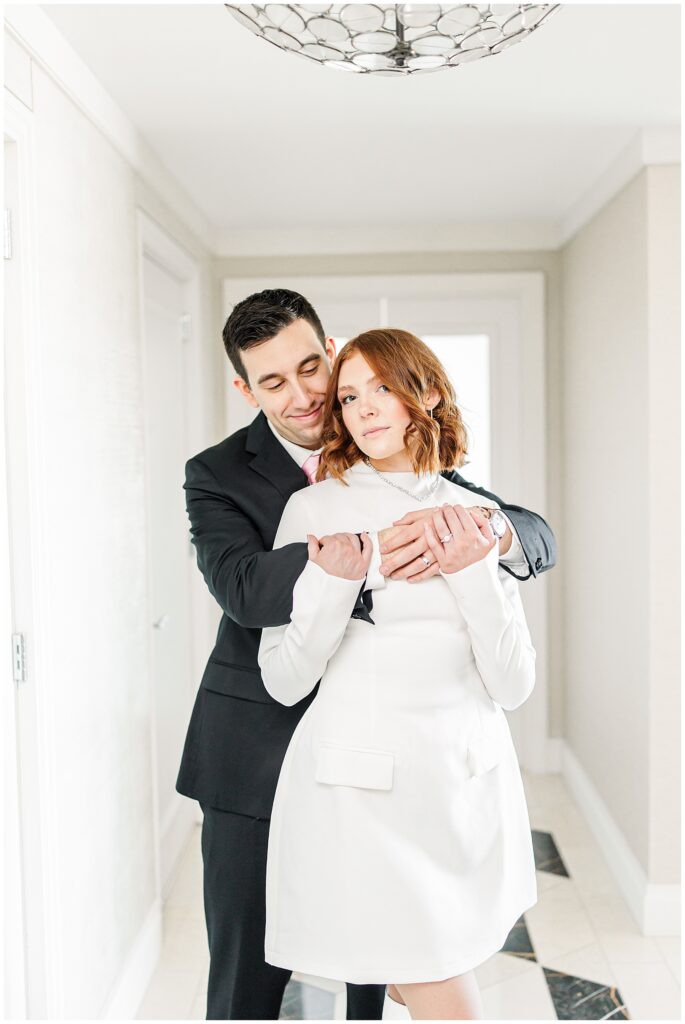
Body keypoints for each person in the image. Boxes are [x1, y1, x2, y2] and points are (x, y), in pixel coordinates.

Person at [176, 289, 556, 1021]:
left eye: (313, 369)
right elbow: (246, 591)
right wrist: (376, 552)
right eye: (273, 382)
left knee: (378, 978)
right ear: (245, 390)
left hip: (395, 768)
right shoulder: (218, 473)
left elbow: (527, 532)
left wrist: (488, 538)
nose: (305, 395)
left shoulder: (408, 463)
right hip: (257, 751)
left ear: (332, 351)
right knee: (249, 980)